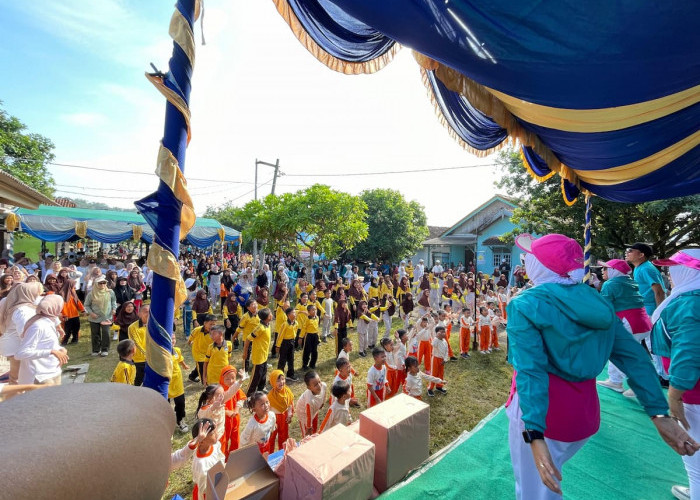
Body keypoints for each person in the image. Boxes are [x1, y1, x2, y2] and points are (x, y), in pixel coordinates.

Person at [507, 233, 697, 499]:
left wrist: (534, 432)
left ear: (539, 265)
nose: (525, 260)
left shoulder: (524, 304)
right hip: (583, 415)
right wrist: (659, 413)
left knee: (534, 492)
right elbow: (636, 359)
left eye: (530, 257)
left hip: (540, 414)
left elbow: (531, 370)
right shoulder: (598, 299)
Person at [648, 248, 700, 500]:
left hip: (694, 392)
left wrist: (675, 395)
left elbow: (689, 352)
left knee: (694, 448)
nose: (668, 274)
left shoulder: (689, 302)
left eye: (672, 268)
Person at [596, 259, 653, 398]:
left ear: (614, 271)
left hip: (628, 323)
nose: (603, 271)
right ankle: (616, 380)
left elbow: (605, 307)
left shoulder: (610, 284)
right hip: (642, 322)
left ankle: (639, 384)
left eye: (606, 268)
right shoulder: (630, 281)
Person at [626, 242, 668, 384]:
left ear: (641, 254)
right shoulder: (640, 268)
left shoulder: (646, 269)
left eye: (631, 250)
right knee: (650, 343)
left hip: (651, 311)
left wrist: (658, 314)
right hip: (646, 310)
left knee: (653, 343)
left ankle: (663, 375)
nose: (628, 252)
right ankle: (661, 373)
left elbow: (659, 291)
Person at [16, 294, 69, 385]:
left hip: (53, 371)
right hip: (40, 376)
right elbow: (21, 354)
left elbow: (46, 343)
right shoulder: (38, 326)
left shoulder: (49, 322)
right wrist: (51, 352)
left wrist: (60, 349)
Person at [0, 282, 44, 384]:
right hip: (18, 346)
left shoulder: (11, 302)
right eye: (36, 293)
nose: (38, 296)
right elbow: (25, 332)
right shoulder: (22, 309)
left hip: (11, 343)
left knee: (17, 376)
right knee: (21, 377)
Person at [190, 417, 225, 500]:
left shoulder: (215, 444)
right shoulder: (201, 464)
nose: (217, 434)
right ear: (202, 440)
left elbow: (221, 458)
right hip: (207, 493)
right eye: (213, 433)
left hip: (217, 483)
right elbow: (203, 490)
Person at [84, 276, 117, 357]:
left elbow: (113, 301)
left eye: (104, 283)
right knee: (95, 334)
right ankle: (96, 350)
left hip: (106, 317)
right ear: (96, 284)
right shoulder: (91, 294)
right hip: (94, 317)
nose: (102, 284)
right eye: (100, 283)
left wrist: (114, 309)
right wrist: (91, 313)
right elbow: (86, 305)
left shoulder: (110, 292)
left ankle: (105, 349)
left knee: (106, 333)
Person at [218, 365, 246, 458]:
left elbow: (241, 399)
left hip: (235, 417)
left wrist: (236, 409)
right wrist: (227, 412)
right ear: (222, 379)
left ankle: (234, 456)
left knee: (235, 438)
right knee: (224, 440)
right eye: (227, 379)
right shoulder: (219, 391)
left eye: (233, 378)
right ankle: (224, 458)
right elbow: (215, 407)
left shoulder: (236, 388)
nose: (230, 381)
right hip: (224, 420)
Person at [244, 308, 272, 396]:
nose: (272, 315)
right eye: (270, 314)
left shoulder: (268, 325)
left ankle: (261, 388)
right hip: (258, 356)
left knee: (263, 372)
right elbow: (248, 339)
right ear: (267, 317)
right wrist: (245, 353)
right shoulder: (260, 328)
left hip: (264, 354)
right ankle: (249, 394)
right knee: (256, 376)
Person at [240, 391, 276, 457]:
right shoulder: (252, 424)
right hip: (255, 451)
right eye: (262, 404)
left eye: (267, 402)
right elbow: (243, 440)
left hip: (266, 446)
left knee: (266, 463)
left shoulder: (272, 415)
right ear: (254, 409)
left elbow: (272, 429)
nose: (266, 406)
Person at [267, 369, 295, 452]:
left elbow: (290, 404)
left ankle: (283, 453)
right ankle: (269, 455)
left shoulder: (287, 391)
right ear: (272, 382)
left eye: (283, 379)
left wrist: (290, 414)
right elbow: (267, 410)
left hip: (284, 417)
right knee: (271, 437)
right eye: (278, 380)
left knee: (284, 436)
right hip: (274, 419)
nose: (281, 382)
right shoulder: (270, 396)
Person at [296, 370, 327, 438]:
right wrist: (309, 427)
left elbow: (324, 394)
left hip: (313, 410)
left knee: (314, 426)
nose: (319, 385)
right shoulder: (309, 400)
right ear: (309, 388)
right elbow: (308, 416)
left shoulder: (323, 385)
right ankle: (306, 442)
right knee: (307, 435)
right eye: (315, 385)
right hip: (303, 413)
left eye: (319, 381)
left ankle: (314, 436)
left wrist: (322, 403)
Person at [170, 333, 190, 433]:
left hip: (177, 381)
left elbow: (180, 359)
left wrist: (184, 365)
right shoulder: (161, 352)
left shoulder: (177, 350)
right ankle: (167, 422)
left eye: (174, 338)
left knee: (180, 403)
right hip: (167, 382)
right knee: (165, 404)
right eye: (170, 339)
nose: (173, 341)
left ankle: (180, 420)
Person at [188, 314, 216, 384]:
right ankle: (204, 382)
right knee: (202, 366)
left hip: (207, 352)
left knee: (204, 365)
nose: (212, 326)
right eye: (210, 324)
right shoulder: (196, 330)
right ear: (205, 323)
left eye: (214, 324)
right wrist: (189, 342)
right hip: (198, 352)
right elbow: (190, 339)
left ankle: (192, 376)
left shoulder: (214, 332)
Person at [126, 304, 149, 386]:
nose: (148, 314)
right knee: (139, 378)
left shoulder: (154, 325)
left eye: (150, 312)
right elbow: (136, 343)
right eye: (146, 312)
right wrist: (147, 354)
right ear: (139, 314)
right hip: (140, 358)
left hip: (153, 357)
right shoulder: (132, 327)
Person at [58, 279, 84, 346]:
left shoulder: (73, 292)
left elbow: (78, 302)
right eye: (73, 285)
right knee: (67, 330)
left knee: (76, 328)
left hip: (75, 314)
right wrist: (64, 314)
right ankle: (64, 341)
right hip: (67, 316)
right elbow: (61, 306)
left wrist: (82, 310)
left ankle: (75, 340)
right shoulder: (61, 294)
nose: (74, 286)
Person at [276, 307, 298, 381]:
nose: (295, 314)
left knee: (291, 359)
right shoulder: (285, 324)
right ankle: (279, 375)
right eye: (293, 313)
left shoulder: (296, 323)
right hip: (284, 343)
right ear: (288, 315)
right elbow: (280, 336)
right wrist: (278, 346)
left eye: (295, 312)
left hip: (292, 342)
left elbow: (295, 332)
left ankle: (290, 374)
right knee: (282, 360)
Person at [427, 326, 449, 397]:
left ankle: (439, 386)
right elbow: (433, 344)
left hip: (442, 360)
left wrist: (445, 359)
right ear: (437, 333)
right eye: (441, 332)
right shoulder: (436, 340)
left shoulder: (445, 341)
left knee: (440, 373)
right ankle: (430, 388)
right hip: (435, 359)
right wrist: (436, 337)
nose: (443, 333)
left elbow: (446, 351)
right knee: (434, 374)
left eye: (443, 332)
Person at [300, 304, 321, 371]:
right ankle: (305, 365)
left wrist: (318, 338)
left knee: (314, 351)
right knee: (307, 351)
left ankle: (312, 364)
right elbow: (304, 329)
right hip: (309, 336)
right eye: (313, 310)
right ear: (309, 311)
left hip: (315, 336)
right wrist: (300, 337)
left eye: (315, 309)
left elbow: (317, 328)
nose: (314, 311)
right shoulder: (307, 319)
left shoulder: (317, 318)